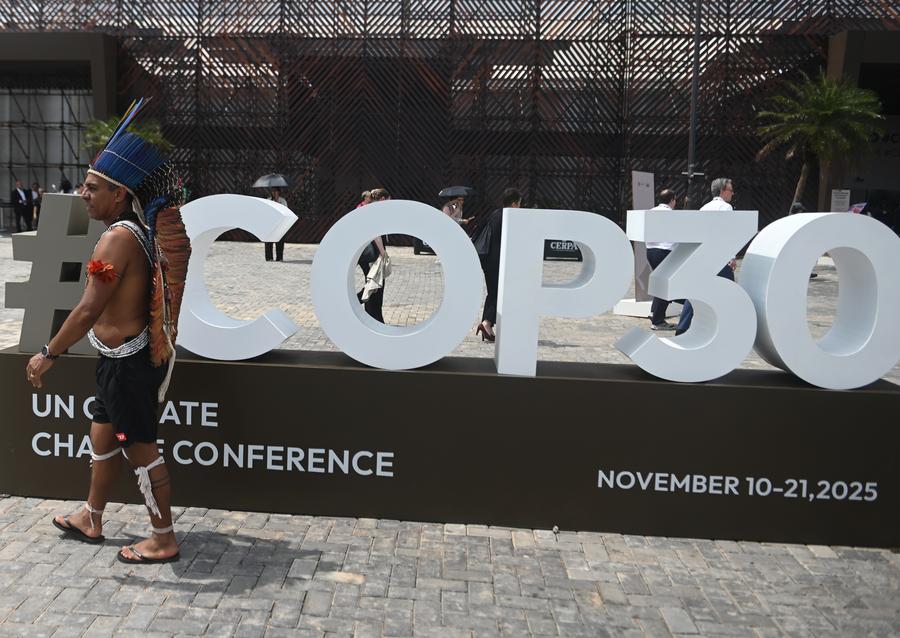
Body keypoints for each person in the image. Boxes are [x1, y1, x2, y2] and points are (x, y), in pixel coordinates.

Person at [26, 100, 190, 564]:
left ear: (119, 195)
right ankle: (91, 517)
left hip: (129, 366)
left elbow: (87, 308)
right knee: (102, 435)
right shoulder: (129, 230)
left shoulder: (117, 238)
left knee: (140, 450)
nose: (83, 193)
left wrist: (48, 353)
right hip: (118, 362)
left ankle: (164, 538)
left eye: (92, 187)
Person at [675, 178, 737, 336]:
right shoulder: (726, 207)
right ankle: (727, 326)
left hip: (702, 256)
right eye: (730, 190)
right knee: (729, 291)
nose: (732, 193)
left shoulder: (704, 208)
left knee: (696, 290)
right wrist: (731, 256)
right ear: (723, 191)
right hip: (718, 257)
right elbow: (727, 232)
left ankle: (683, 326)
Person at [473, 188, 521, 342]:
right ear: (514, 204)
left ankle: (487, 324)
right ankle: (487, 323)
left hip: (488, 261)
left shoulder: (495, 213)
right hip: (497, 261)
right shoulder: (509, 217)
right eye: (519, 203)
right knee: (497, 293)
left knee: (493, 292)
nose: (520, 206)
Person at [646, 189, 680, 331]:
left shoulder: (651, 211)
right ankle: (658, 320)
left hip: (650, 251)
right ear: (672, 199)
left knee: (661, 283)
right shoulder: (671, 215)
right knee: (667, 285)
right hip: (665, 251)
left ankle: (654, 312)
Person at [357, 188, 390, 322]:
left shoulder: (368, 209)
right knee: (376, 283)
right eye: (389, 200)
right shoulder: (374, 212)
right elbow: (376, 234)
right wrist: (383, 253)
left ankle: (374, 315)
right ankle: (373, 315)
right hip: (373, 252)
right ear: (382, 199)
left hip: (367, 252)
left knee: (373, 282)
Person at [265, 186, 288, 261]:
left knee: (280, 241)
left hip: (280, 223)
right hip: (270, 223)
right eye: (272, 191)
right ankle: (269, 258)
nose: (274, 193)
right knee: (268, 241)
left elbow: (286, 211)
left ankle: (279, 257)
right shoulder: (268, 200)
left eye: (275, 191)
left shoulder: (282, 201)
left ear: (279, 192)